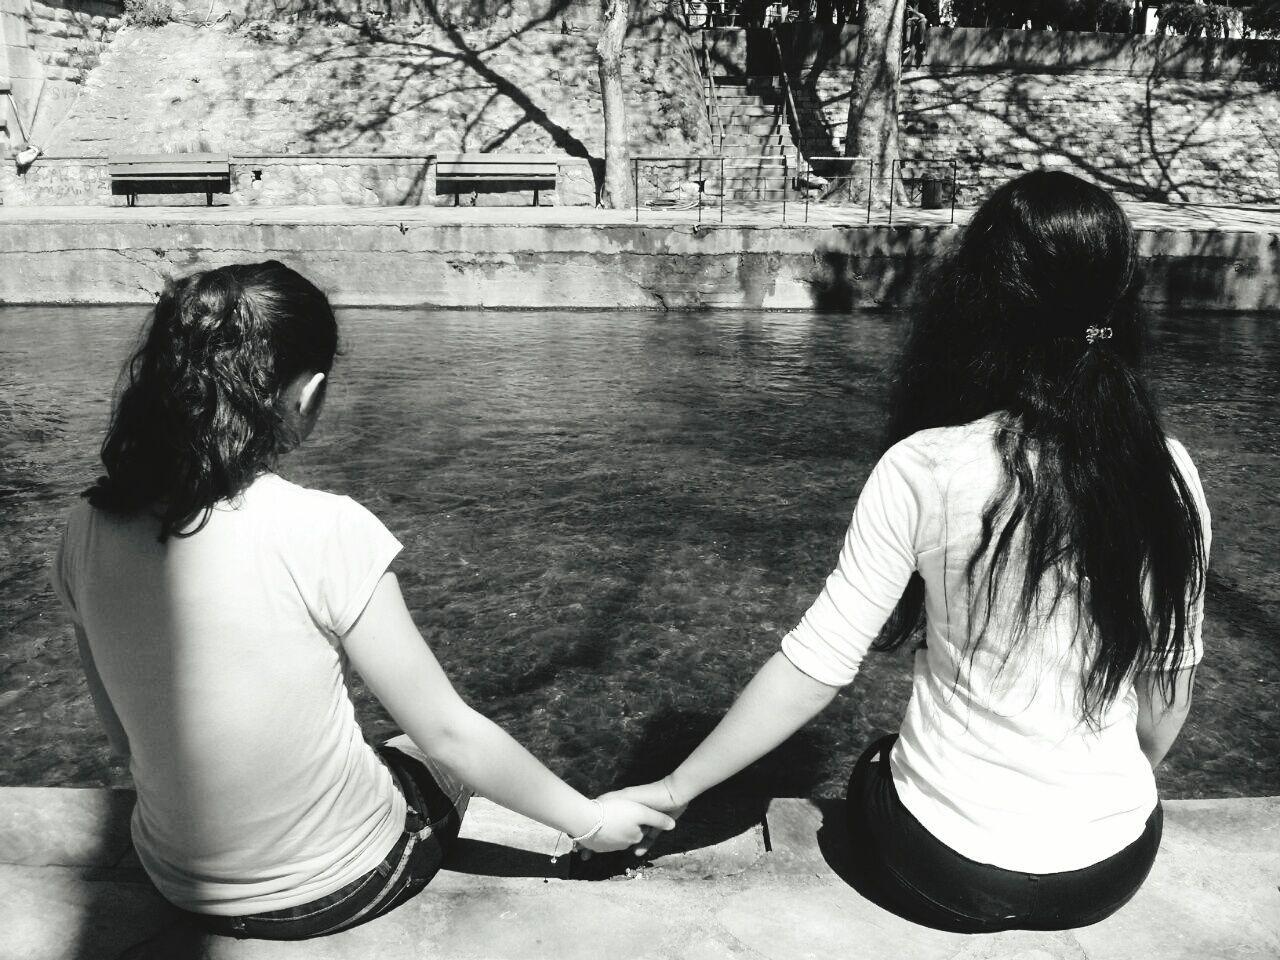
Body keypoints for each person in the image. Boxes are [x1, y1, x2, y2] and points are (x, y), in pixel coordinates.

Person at [616, 171, 1210, 933]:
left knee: (874, 765)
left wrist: (673, 789)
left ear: (981, 300)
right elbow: (1168, 697)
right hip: (1112, 869)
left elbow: (817, 665)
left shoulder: (926, 466)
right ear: (1120, 299)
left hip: (947, 870)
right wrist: (1099, 804)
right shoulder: (1170, 471)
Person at [51, 261, 674, 941]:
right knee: (424, 748)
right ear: (307, 395)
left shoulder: (85, 527)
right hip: (335, 887)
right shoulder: (326, 527)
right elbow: (449, 736)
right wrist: (593, 821)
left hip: (173, 877)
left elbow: (120, 735)